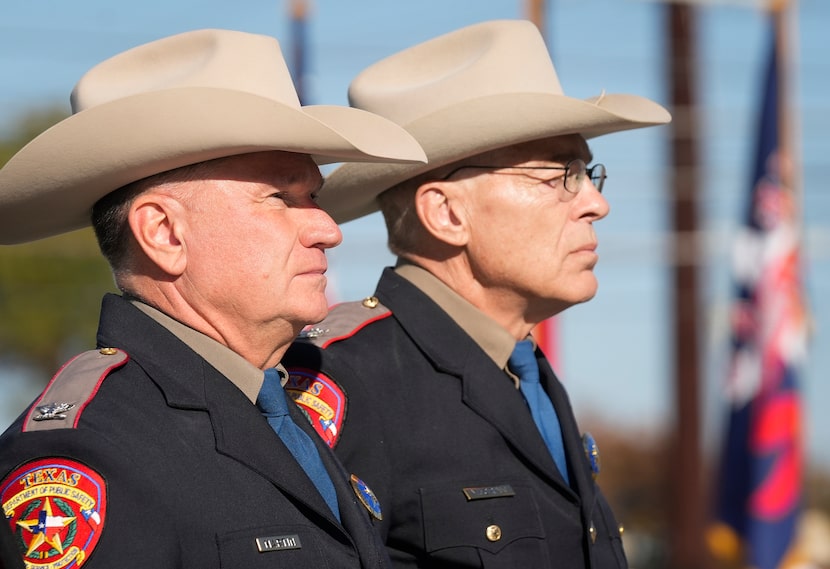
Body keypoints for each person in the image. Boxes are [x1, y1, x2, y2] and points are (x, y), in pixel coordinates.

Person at [0, 29, 426, 569]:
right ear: (164, 234)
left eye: (313, 197)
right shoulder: (93, 453)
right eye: (280, 198)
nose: (327, 229)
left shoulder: (287, 406)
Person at [283, 20, 671, 569]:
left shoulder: (523, 370)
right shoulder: (345, 378)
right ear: (446, 213)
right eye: (559, 174)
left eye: (588, 173)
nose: (595, 203)